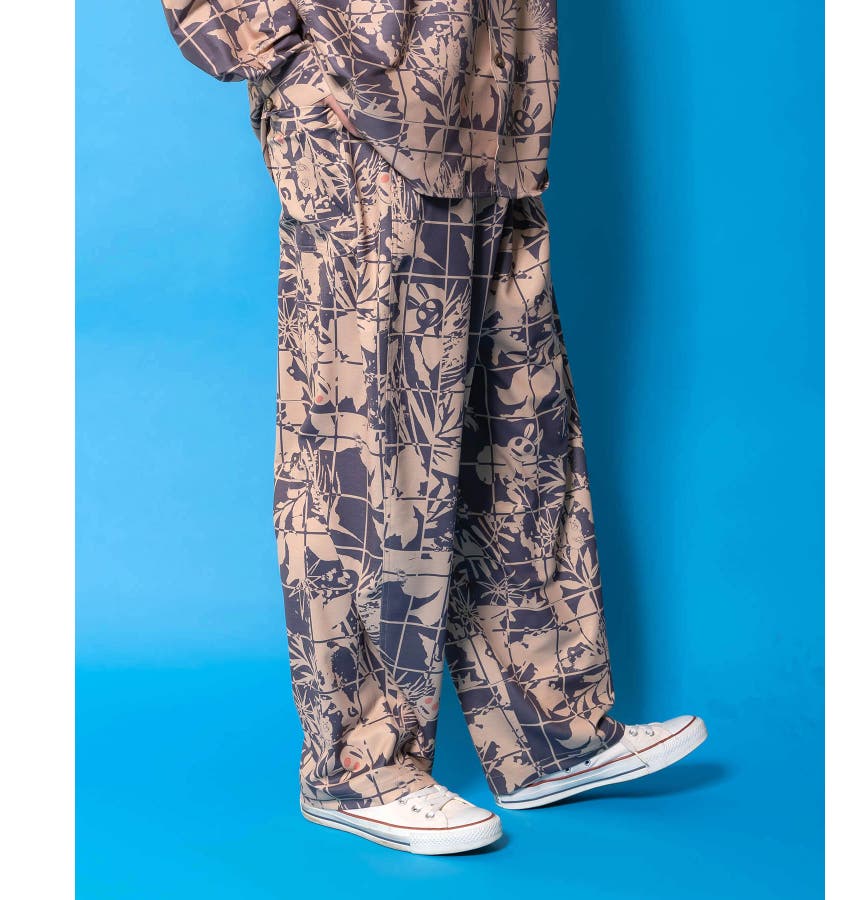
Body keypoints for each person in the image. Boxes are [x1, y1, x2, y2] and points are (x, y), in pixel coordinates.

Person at [161, 0, 707, 855]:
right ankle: (360, 765)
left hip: (492, 117)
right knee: (370, 453)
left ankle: (546, 733)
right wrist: (300, 59)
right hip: (364, 124)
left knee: (519, 438)